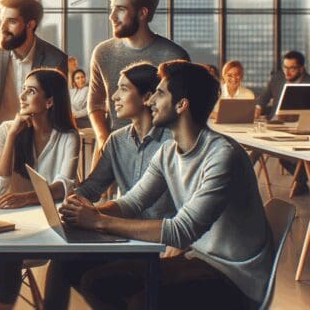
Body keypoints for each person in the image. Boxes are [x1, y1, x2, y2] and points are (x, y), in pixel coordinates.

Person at [61, 60, 273, 309]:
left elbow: (182, 231)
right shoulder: (168, 152)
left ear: (182, 105)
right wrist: (84, 214)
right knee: (89, 277)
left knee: (142, 301)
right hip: (199, 260)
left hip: (236, 280)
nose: (150, 101)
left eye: (160, 94)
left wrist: (98, 221)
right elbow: (133, 202)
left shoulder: (222, 155)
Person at [43, 62, 175, 310]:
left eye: (123, 89)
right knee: (63, 262)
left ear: (147, 97)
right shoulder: (117, 140)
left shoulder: (172, 143)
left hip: (156, 243)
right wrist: (74, 201)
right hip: (121, 235)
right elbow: (92, 186)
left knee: (95, 281)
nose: (114, 96)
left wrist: (95, 215)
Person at [0, 68, 79, 310]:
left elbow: (64, 186)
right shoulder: (8, 129)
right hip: (11, 222)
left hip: (50, 222)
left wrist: (27, 197)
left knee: (65, 257)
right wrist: (13, 135)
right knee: (9, 250)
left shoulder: (68, 136)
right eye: (23, 89)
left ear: (49, 101)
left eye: (31, 91)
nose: (23, 96)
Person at [0, 0, 68, 169]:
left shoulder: (55, 59)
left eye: (11, 22)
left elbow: (58, 109)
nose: (3, 27)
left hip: (35, 144)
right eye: (2, 20)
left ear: (30, 25)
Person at [88, 0, 189, 150]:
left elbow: (182, 114)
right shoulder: (102, 52)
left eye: (120, 9)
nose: (112, 16)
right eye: (112, 8)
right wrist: (105, 140)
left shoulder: (174, 56)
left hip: (159, 152)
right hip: (112, 152)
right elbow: (96, 103)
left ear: (143, 13)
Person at [255, 50, 310, 193]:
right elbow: (263, 99)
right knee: (258, 147)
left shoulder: (308, 83)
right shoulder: (277, 78)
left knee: (288, 157)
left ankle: (301, 182)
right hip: (273, 125)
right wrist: (257, 109)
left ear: (301, 68)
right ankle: (301, 182)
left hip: (298, 128)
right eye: (285, 67)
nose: (287, 72)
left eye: (292, 68)